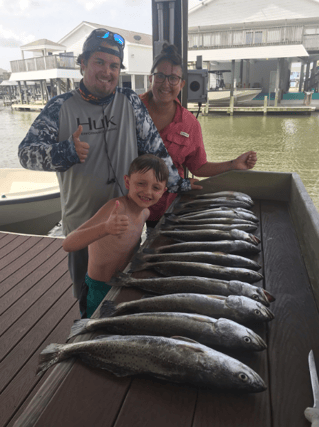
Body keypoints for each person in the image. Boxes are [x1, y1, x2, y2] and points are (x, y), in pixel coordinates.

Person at [18, 29, 200, 302]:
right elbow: (25, 153)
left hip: (126, 224)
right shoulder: (60, 106)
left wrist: (182, 184)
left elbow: (156, 152)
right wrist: (63, 152)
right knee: (87, 297)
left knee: (123, 293)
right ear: (83, 64)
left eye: (114, 65)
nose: (107, 71)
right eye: (99, 63)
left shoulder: (130, 103)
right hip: (83, 228)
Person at [140, 43, 257, 226]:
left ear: (182, 84)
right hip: (127, 203)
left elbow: (198, 167)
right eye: (160, 76)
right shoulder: (129, 109)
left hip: (165, 208)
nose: (165, 84)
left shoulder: (189, 123)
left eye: (173, 78)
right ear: (150, 78)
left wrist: (233, 164)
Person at [63, 154, 168, 318]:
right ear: (127, 182)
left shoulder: (145, 213)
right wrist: (105, 228)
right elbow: (68, 244)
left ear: (163, 191)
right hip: (99, 288)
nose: (148, 191)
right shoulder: (115, 208)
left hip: (123, 283)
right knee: (91, 332)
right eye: (141, 183)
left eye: (156, 188)